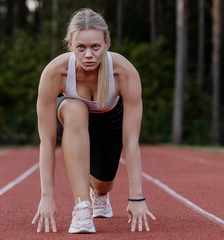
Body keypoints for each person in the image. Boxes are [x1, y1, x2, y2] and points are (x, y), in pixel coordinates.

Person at [32, 8, 155, 234]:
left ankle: (98, 195)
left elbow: (131, 141)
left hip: (109, 119)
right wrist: (46, 196)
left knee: (102, 184)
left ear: (106, 43)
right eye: (81, 47)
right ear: (70, 44)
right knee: (75, 109)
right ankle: (82, 208)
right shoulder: (55, 73)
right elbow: (47, 142)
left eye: (95, 47)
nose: (88, 54)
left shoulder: (124, 73)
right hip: (70, 119)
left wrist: (136, 197)